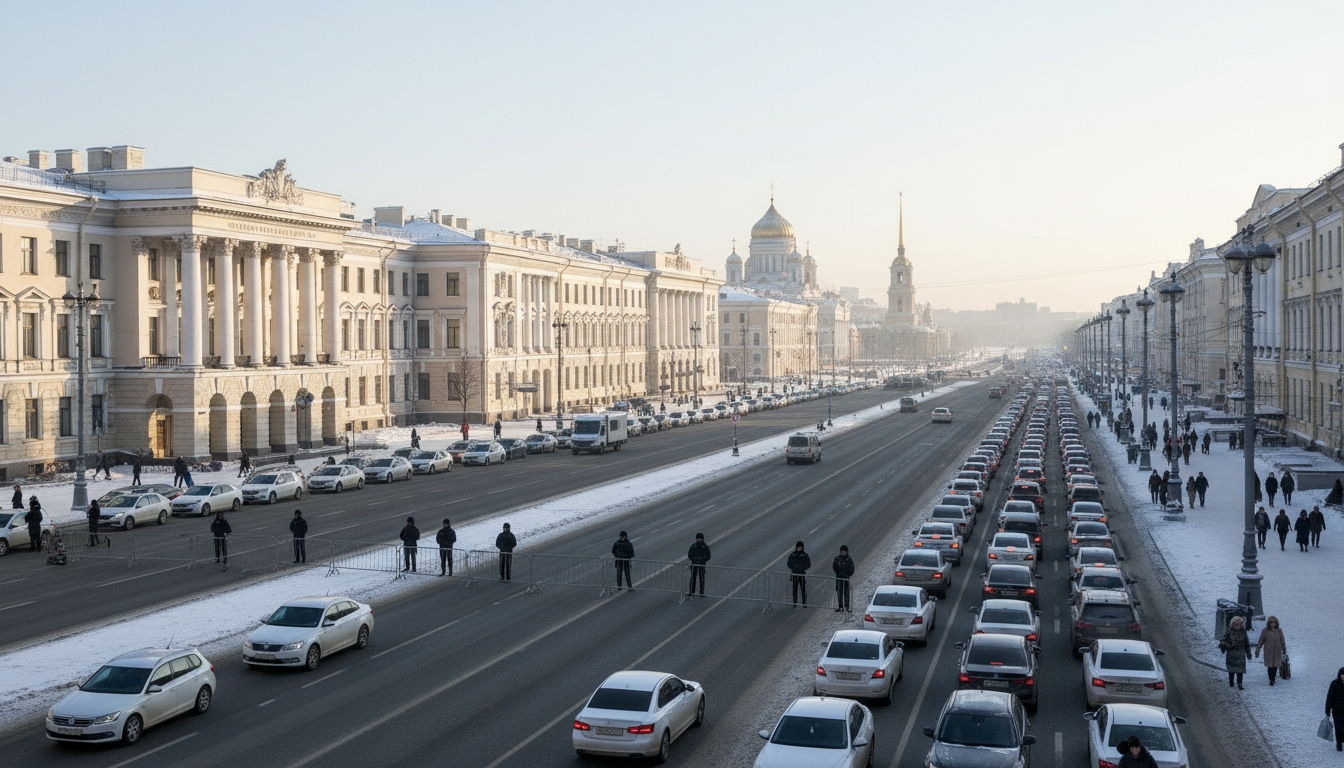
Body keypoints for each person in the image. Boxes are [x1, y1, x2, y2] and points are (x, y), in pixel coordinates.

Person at [1220, 614, 1250, 690]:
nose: (1238, 626)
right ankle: (1231, 682)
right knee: (1231, 670)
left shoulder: (1243, 632)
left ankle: (1240, 683)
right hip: (1231, 654)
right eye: (1236, 624)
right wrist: (1224, 647)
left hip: (1240, 655)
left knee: (1240, 670)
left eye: (1239, 624)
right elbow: (1223, 641)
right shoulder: (1229, 632)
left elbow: (1247, 643)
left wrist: (1248, 653)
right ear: (1233, 624)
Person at [1255, 616, 1286, 686]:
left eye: (1274, 622)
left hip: (1277, 651)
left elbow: (1282, 640)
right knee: (1270, 666)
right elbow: (1261, 641)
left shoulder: (1279, 631)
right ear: (1269, 623)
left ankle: (1273, 678)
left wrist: (1284, 649)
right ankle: (1271, 679)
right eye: (1271, 622)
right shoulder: (1265, 631)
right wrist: (1258, 649)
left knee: (1275, 666)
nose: (1273, 624)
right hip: (1268, 651)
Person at [787, 541, 811, 606]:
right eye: (798, 547)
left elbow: (808, 564)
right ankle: (794, 602)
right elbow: (789, 563)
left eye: (800, 547)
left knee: (803, 588)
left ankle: (804, 603)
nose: (799, 548)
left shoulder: (805, 555)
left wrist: (804, 568)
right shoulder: (793, 555)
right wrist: (793, 568)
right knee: (795, 588)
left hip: (802, 574)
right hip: (795, 574)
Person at [832, 545, 855, 612]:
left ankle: (847, 606)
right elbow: (834, 567)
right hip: (839, 578)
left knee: (846, 593)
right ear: (840, 551)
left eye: (845, 551)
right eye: (842, 551)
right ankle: (840, 606)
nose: (843, 552)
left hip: (846, 579)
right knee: (839, 593)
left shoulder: (849, 560)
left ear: (847, 552)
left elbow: (852, 569)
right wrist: (838, 572)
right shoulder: (837, 559)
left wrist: (848, 574)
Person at [1327, 667, 1344, 752]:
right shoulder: (1334, 684)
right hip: (1337, 711)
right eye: (1342, 675)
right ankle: (1339, 743)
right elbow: (1330, 697)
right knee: (1338, 728)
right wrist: (1327, 710)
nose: (1343, 677)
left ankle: (1341, 740)